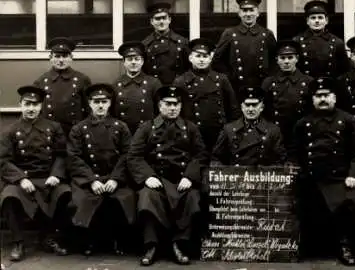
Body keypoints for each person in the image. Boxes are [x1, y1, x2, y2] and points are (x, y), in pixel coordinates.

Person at [289, 77, 355, 266]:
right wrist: (293, 168)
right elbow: (294, 151)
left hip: (339, 177)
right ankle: (301, 245)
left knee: (349, 204)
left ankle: (345, 245)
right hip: (310, 177)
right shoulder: (303, 123)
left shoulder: (348, 120)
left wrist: (354, 175)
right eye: (318, 96)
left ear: (334, 98)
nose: (322, 99)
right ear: (313, 99)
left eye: (326, 95)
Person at [128, 86, 208, 266]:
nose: (173, 108)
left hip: (181, 180)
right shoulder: (147, 128)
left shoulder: (190, 128)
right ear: (159, 105)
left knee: (192, 197)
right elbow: (134, 156)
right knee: (147, 197)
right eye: (168, 104)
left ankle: (178, 244)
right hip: (157, 178)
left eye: (176, 104)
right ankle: (151, 245)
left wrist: (189, 176)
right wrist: (147, 176)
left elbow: (201, 155)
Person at [0, 86, 71, 261]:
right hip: (21, 179)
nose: (31, 108)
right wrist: (21, 179)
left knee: (65, 193)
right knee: (9, 197)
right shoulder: (10, 131)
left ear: (41, 106)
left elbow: (62, 154)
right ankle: (18, 242)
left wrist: (56, 174)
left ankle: (49, 237)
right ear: (20, 105)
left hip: (47, 177)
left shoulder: (53, 128)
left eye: (36, 104)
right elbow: (3, 160)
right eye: (27, 104)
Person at [67, 83, 135, 256]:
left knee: (123, 198)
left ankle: (117, 240)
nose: (100, 105)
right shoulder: (79, 129)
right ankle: (90, 241)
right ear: (89, 103)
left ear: (110, 103)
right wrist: (91, 180)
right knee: (84, 199)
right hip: (89, 179)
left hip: (114, 177)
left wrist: (115, 179)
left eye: (104, 101)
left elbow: (128, 155)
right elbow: (74, 157)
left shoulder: (121, 127)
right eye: (96, 101)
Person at [173, 38, 240, 151]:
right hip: (192, 135)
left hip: (219, 134)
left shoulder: (221, 79)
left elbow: (233, 109)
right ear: (190, 58)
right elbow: (175, 112)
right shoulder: (180, 82)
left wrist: (231, 132)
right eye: (198, 56)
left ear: (210, 58)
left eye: (205, 56)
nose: (201, 60)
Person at [212, 0, 277, 93]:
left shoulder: (267, 34)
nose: (248, 14)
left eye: (251, 10)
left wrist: (268, 80)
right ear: (239, 13)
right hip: (236, 87)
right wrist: (230, 77)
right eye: (244, 10)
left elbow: (275, 60)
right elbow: (217, 60)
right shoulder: (230, 33)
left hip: (262, 86)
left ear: (257, 13)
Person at [211, 87, 287, 167]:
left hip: (261, 177)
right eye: (247, 105)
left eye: (254, 105)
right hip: (235, 176)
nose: (250, 109)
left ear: (262, 107)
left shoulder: (273, 131)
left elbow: (280, 161)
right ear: (242, 107)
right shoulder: (228, 130)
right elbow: (216, 159)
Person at [33, 37, 91, 135]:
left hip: (74, 132)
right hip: (49, 132)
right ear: (50, 58)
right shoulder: (41, 81)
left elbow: (89, 109)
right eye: (57, 56)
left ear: (71, 57)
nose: (61, 60)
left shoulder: (82, 79)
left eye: (64, 56)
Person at [261, 40, 314, 148]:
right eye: (282, 58)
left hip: (301, 132)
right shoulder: (269, 82)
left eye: (290, 57)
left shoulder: (308, 82)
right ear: (277, 60)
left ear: (297, 59)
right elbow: (263, 110)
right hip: (275, 132)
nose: (286, 61)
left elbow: (312, 111)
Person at [292, 0, 350, 79]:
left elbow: (344, 71)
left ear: (326, 21)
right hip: (305, 86)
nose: (317, 21)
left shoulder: (337, 42)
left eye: (320, 17)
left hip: (329, 86)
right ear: (307, 21)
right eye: (313, 18)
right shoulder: (297, 41)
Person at [114, 42, 162, 134]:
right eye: (129, 59)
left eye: (137, 59)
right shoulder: (116, 84)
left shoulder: (153, 83)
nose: (133, 62)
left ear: (142, 61)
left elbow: (160, 110)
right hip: (123, 133)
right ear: (124, 62)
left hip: (147, 132)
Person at [141, 3, 190, 85]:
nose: (161, 22)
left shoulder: (182, 42)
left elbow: (189, 69)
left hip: (177, 87)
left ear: (169, 20)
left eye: (164, 18)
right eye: (157, 19)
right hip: (154, 88)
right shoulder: (145, 44)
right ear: (151, 21)